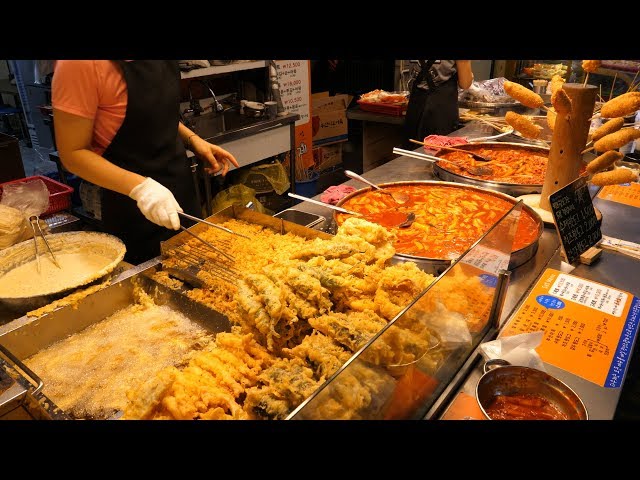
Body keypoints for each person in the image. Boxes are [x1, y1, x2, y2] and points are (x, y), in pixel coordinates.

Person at [52, 60, 239, 264]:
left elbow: (153, 110)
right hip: (133, 208)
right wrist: (142, 189)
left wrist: (193, 140)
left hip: (181, 189)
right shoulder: (79, 65)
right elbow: (72, 153)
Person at [402, 60, 474, 148]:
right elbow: (465, 83)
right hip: (441, 110)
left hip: (415, 106)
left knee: (411, 153)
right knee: (438, 154)